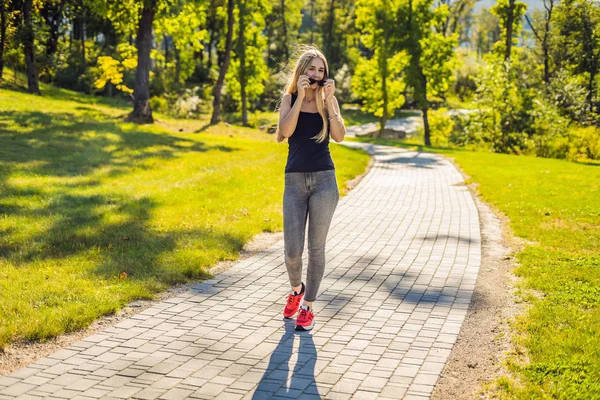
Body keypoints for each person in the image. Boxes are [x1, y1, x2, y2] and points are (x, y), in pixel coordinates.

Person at [276, 47, 346, 331]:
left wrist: (329, 103)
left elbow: (339, 136)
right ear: (302, 72)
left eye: (321, 70)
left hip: (324, 182)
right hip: (294, 181)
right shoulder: (289, 99)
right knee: (293, 250)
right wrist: (299, 99)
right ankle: (296, 290)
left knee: (316, 248)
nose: (317, 75)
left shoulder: (328, 100)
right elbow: (286, 132)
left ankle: (308, 307)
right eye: (312, 69)